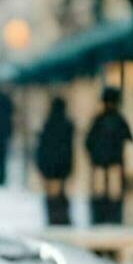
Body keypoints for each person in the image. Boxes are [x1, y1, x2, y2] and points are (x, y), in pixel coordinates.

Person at [86, 85, 133, 224]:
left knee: (101, 190)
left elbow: (89, 141)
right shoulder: (118, 119)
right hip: (114, 161)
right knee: (114, 192)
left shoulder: (99, 120)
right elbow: (129, 137)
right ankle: (112, 215)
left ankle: (101, 214)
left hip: (100, 162)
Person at [35, 96, 75, 225]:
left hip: (49, 165)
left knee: (51, 192)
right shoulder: (67, 126)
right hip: (62, 164)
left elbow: (42, 147)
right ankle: (62, 216)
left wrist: (41, 164)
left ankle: (53, 216)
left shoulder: (48, 124)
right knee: (61, 190)